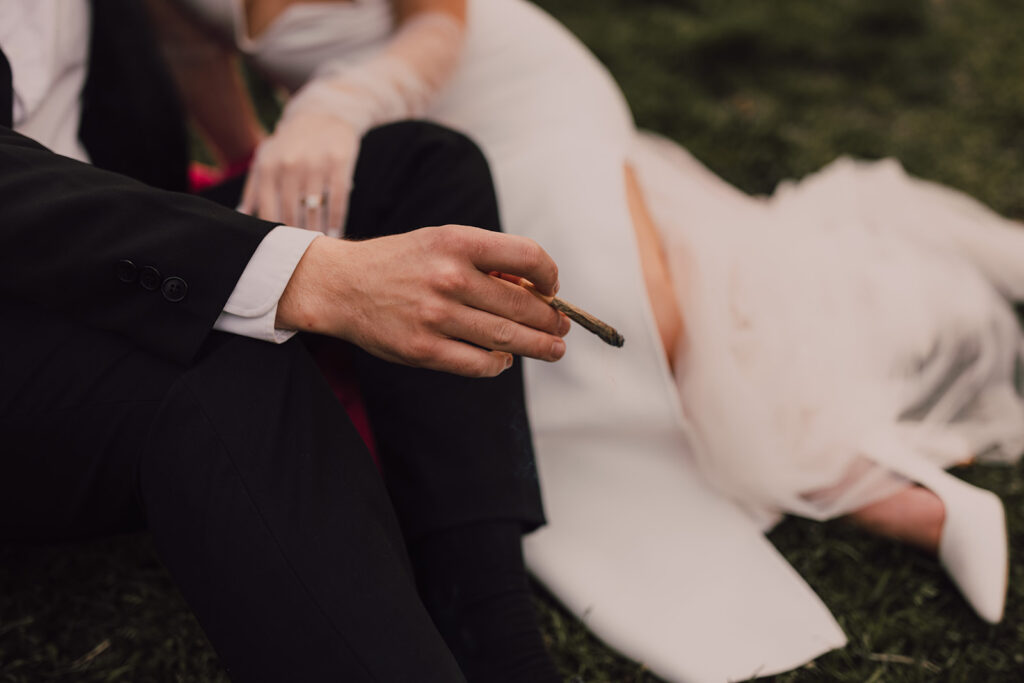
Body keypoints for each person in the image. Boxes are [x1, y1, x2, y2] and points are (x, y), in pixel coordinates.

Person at [158, 0, 1024, 680]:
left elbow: (436, 22)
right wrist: (274, 168)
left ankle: (893, 490)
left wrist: (338, 107)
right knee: (569, 355)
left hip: (504, 92)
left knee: (639, 319)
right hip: (404, 146)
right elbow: (197, 55)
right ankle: (910, 497)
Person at [0, 1, 574, 681]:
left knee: (423, 167)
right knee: (222, 357)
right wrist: (309, 272)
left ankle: (492, 634)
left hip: (95, 237)